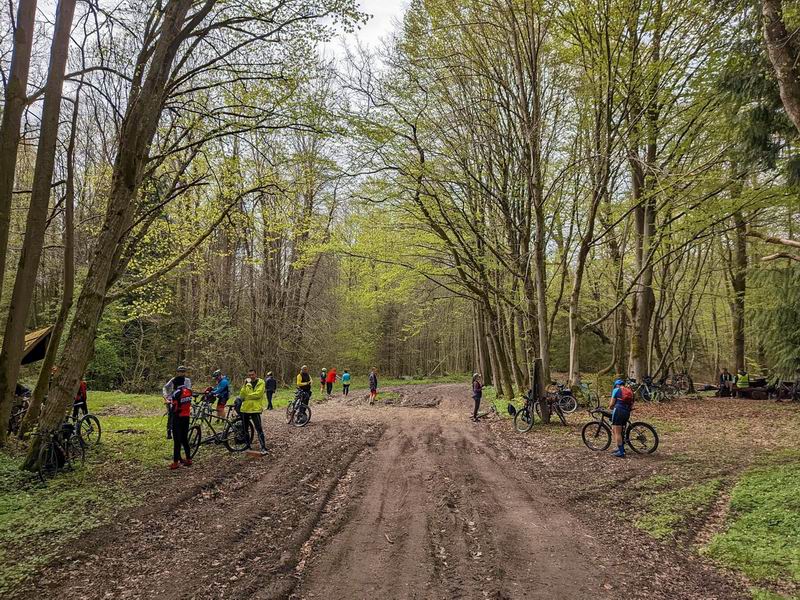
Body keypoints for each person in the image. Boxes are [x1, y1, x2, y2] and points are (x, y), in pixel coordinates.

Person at [239, 369, 267, 454]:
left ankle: (263, 447)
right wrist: (244, 385)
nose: (251, 376)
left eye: (252, 375)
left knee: (259, 429)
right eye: (249, 375)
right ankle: (247, 446)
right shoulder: (247, 384)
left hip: (255, 409)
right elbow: (242, 395)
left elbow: (258, 394)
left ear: (256, 374)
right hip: (245, 408)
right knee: (245, 429)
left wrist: (247, 396)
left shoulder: (261, 382)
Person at [169, 379, 193, 469]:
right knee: (185, 439)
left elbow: (174, 407)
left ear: (176, 384)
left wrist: (169, 404)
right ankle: (189, 459)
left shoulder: (176, 393)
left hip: (178, 418)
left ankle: (175, 462)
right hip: (186, 417)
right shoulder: (189, 391)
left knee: (177, 441)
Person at [163, 366, 191, 440]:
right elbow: (165, 387)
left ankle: (181, 433)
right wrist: (166, 397)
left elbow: (189, 390)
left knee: (182, 416)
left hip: (182, 400)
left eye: (183, 371)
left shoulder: (187, 380)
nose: (181, 373)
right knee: (171, 416)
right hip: (172, 399)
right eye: (180, 371)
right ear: (177, 372)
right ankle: (169, 432)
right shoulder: (173, 379)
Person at [609, 379, 634, 458]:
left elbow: (611, 404)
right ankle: (620, 447)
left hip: (618, 410)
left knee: (617, 432)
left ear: (616, 385)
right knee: (619, 430)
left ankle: (621, 452)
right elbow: (632, 403)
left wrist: (611, 407)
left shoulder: (616, 390)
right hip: (627, 412)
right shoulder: (630, 391)